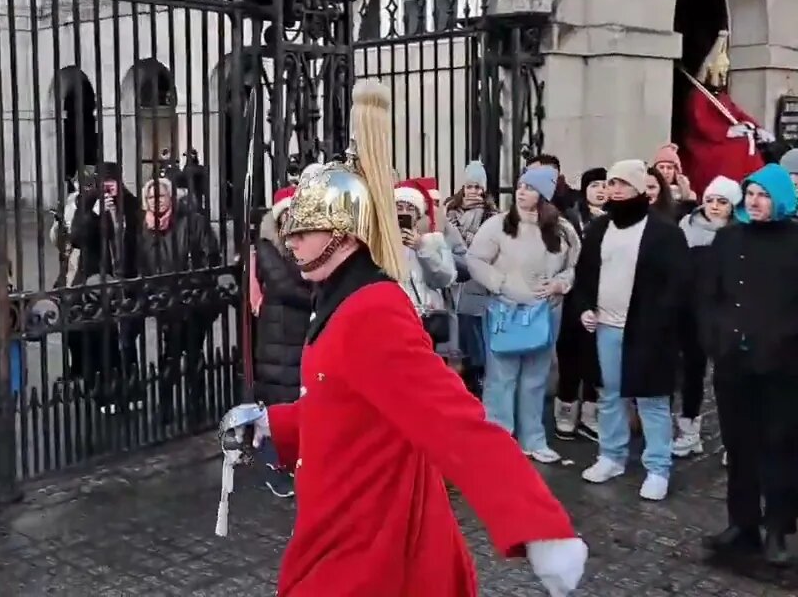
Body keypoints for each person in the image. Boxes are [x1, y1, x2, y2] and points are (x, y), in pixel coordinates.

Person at [220, 79, 587, 597]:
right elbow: (343, 403)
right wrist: (273, 424)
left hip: (373, 541)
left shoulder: (372, 309)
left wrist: (537, 524)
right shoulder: (335, 295)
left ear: (344, 233)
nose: (291, 242)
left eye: (304, 231)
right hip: (339, 520)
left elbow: (453, 420)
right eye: (290, 232)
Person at [699, 163, 798, 564]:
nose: (755, 202)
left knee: (779, 448)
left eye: (764, 195)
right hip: (733, 362)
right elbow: (710, 295)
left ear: (780, 199)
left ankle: (777, 528)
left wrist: (783, 338)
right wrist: (716, 337)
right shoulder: (729, 238)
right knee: (739, 446)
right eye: (751, 194)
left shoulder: (794, 241)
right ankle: (743, 523)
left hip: (782, 365)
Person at [573, 159, 688, 502]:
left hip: (647, 331)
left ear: (639, 188)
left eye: (623, 183)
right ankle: (611, 455)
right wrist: (584, 308)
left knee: (651, 399)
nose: (615, 189)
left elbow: (678, 284)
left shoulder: (664, 232)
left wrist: (659, 323)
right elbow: (585, 275)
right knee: (609, 394)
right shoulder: (599, 229)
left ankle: (658, 468)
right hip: (605, 326)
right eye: (612, 183)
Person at [465, 164, 580, 464]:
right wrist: (501, 283)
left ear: (544, 194)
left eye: (530, 188)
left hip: (545, 314)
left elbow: (573, 266)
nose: (521, 192)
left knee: (536, 378)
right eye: (520, 186)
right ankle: (499, 439)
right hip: (505, 312)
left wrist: (560, 284)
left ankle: (533, 439)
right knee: (500, 379)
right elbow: (475, 259)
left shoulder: (563, 230)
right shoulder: (498, 225)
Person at [137, 176, 219, 425]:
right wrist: (152, 292)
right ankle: (165, 407)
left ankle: (196, 407)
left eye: (161, 195)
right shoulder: (145, 228)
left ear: (171, 197)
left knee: (193, 353)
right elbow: (142, 264)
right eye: (151, 197)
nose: (156, 201)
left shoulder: (193, 221)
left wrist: (192, 285)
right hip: (165, 302)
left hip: (192, 299)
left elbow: (210, 255)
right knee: (170, 355)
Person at [66, 161, 143, 414]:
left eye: (113, 182)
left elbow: (140, 237)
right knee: (101, 338)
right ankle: (103, 393)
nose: (109, 187)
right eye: (104, 182)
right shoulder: (87, 203)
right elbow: (76, 238)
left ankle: (131, 388)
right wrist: (96, 214)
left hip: (126, 280)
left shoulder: (131, 204)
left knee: (127, 339)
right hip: (96, 281)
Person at [248, 186, 310, 498]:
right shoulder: (267, 247)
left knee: (300, 400)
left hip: (303, 334)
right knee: (278, 400)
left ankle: (298, 464)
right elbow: (283, 286)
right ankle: (276, 467)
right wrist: (318, 294)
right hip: (279, 335)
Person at [672, 176, 740, 458]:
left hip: (727, 313)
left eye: (722, 202)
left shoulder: (739, 233)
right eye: (710, 200)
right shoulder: (687, 226)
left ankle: (734, 442)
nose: (714, 206)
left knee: (729, 379)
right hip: (691, 311)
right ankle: (689, 431)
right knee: (692, 372)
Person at [554, 167, 607, 441]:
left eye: (605, 185)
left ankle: (590, 414)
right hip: (572, 296)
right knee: (570, 356)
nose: (600, 190)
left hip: (604, 297)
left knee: (597, 360)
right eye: (594, 185)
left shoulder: (616, 220)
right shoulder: (570, 218)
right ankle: (565, 410)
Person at [445, 160, 499, 393]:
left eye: (478, 187)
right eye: (469, 186)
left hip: (477, 284)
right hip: (452, 281)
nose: (473, 192)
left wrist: (463, 237)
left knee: (475, 336)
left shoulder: (491, 215)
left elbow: (487, 246)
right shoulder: (449, 211)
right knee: (455, 336)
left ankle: (477, 380)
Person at [393, 183, 457, 348]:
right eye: (399, 207)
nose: (404, 212)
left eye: (410, 208)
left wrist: (421, 248)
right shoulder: (383, 244)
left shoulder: (433, 240)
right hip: (394, 317)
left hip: (425, 318)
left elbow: (445, 279)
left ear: (418, 213)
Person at [652, 143, 697, 215]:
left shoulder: (688, 195)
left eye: (669, 168)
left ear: (676, 171)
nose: (665, 172)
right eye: (661, 167)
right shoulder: (648, 192)